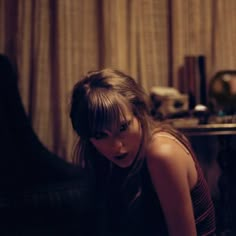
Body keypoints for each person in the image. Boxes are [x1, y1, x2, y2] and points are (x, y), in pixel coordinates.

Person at [69, 68, 216, 236]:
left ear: (139, 113)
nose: (116, 146)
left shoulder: (162, 154)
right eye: (101, 135)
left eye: (123, 127)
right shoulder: (98, 152)